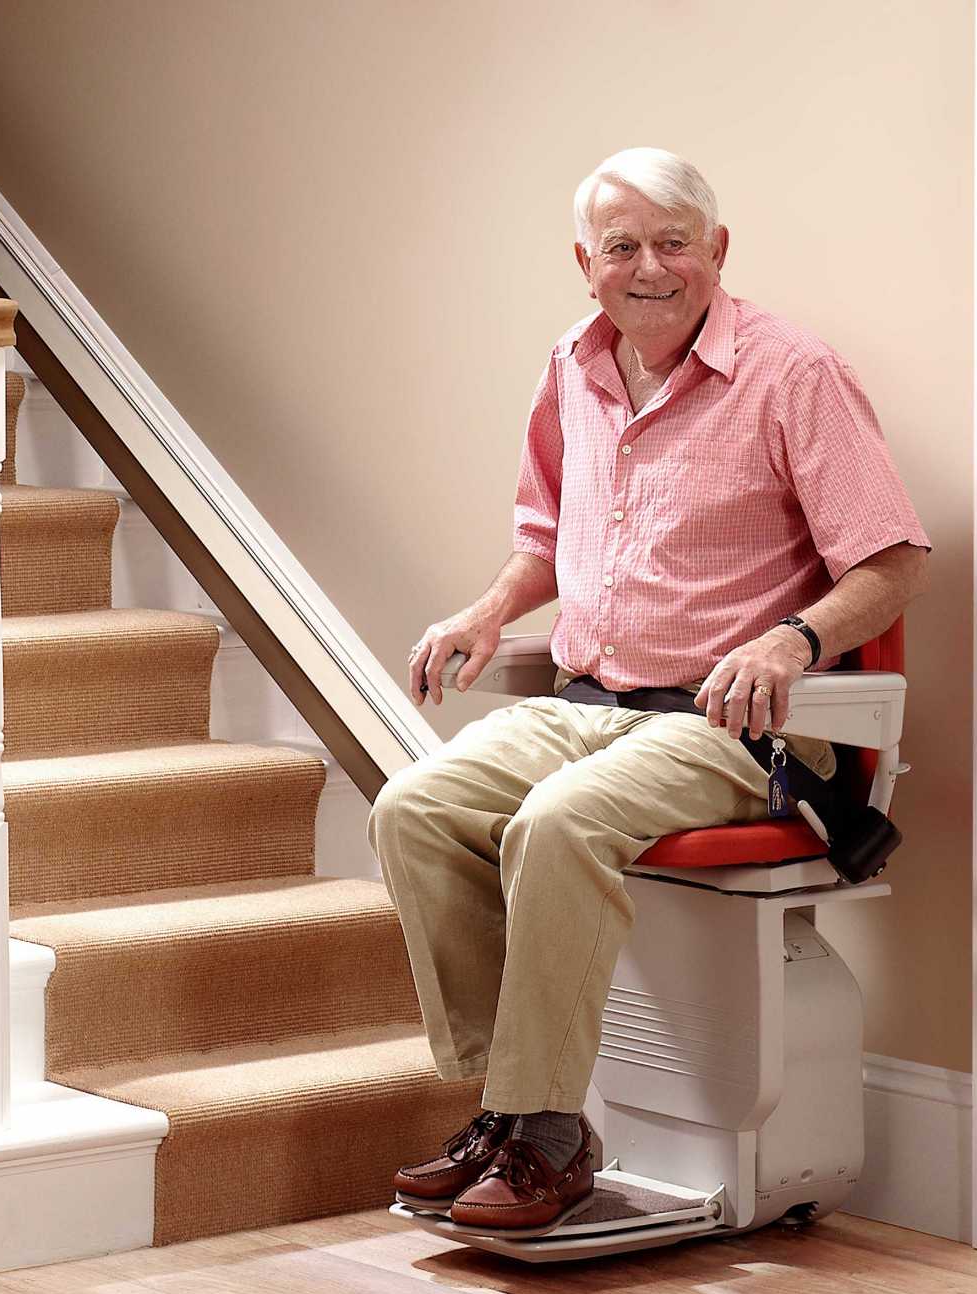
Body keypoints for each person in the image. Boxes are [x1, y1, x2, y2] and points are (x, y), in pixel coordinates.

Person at [369, 147, 931, 1232]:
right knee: (415, 808)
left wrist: (791, 641)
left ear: (716, 250)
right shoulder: (570, 367)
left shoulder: (791, 374)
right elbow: (544, 534)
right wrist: (488, 612)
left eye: (673, 241)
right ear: (584, 263)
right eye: (621, 246)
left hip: (739, 728)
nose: (649, 267)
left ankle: (538, 1131)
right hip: (591, 702)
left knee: (557, 823)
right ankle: (510, 1108)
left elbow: (891, 559)